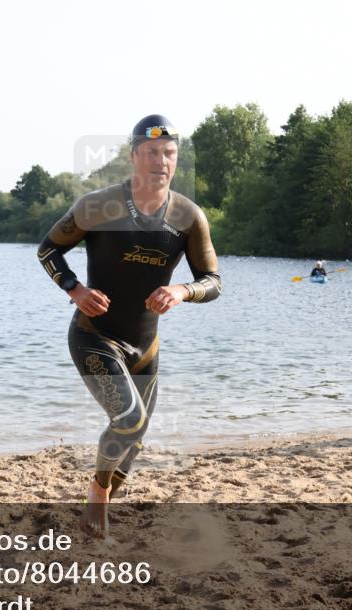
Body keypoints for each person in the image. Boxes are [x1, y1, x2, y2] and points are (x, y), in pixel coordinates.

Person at [37, 114, 222, 539]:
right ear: (135, 155)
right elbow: (49, 249)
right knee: (128, 419)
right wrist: (75, 289)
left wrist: (182, 292)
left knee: (134, 440)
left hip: (145, 347)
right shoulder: (98, 206)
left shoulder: (188, 217)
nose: (162, 161)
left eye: (170, 153)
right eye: (153, 152)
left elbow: (213, 281)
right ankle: (97, 499)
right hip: (94, 335)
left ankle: (103, 491)